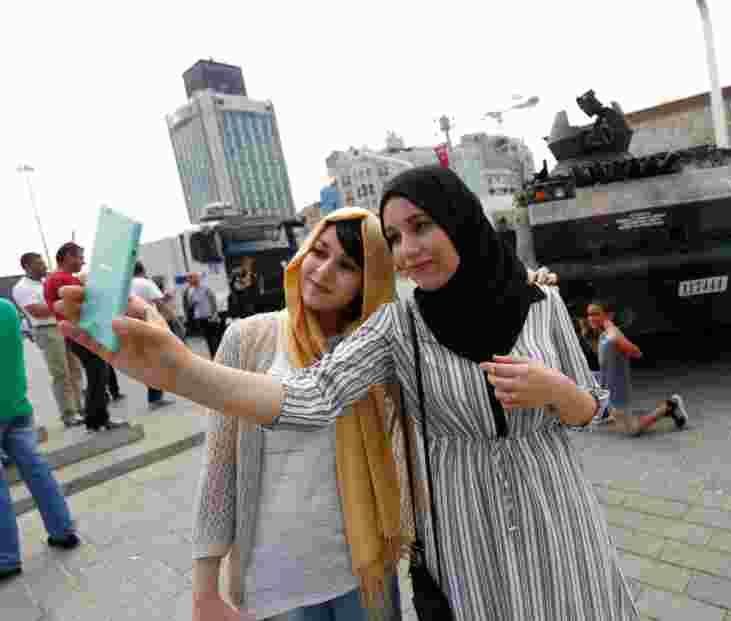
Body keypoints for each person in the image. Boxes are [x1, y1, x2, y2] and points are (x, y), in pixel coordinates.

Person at [57, 165, 639, 620]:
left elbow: (591, 410)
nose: (410, 248)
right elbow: (309, 396)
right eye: (395, 236)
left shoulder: (544, 303)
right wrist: (180, 370)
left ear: (459, 219)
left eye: (421, 226)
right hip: (465, 538)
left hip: (557, 516)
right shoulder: (398, 327)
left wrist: (559, 390)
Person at [192, 208, 407, 621]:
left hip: (363, 573)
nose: (323, 272)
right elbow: (220, 466)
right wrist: (205, 589)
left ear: (371, 280)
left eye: (346, 265)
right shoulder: (250, 339)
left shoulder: (380, 350)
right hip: (278, 581)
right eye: (319, 252)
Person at [0, 297, 81, 582]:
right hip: (17, 406)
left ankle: (5, 559)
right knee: (37, 470)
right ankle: (63, 530)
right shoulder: (7, 309)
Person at [43, 243, 126, 432]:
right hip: (81, 333)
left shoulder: (59, 279)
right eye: (80, 257)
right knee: (98, 374)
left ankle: (97, 419)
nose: (83, 261)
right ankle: (97, 420)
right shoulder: (61, 279)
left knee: (97, 374)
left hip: (78, 333)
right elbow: (87, 305)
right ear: (67, 257)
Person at [585, 301, 688, 435]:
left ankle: (670, 406)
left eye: (596, 314)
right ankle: (602, 411)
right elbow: (604, 358)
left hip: (617, 387)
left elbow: (635, 351)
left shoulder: (613, 333)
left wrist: (624, 351)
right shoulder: (604, 334)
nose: (591, 318)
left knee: (632, 430)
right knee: (582, 376)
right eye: (589, 314)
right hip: (607, 382)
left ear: (609, 315)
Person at [12, 252, 84, 428]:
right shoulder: (22, 287)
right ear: (28, 266)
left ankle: (79, 408)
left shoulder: (45, 282)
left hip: (63, 325)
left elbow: (53, 305)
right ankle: (68, 414)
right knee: (61, 373)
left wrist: (58, 304)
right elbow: (37, 311)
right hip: (47, 330)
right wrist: (61, 304)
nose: (45, 265)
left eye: (43, 261)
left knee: (75, 369)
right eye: (39, 263)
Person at [131, 262, 176, 411]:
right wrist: (173, 318)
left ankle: (154, 395)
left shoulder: (126, 286)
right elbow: (160, 303)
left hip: (133, 328)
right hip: (150, 325)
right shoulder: (146, 283)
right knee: (157, 361)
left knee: (148, 362)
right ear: (143, 270)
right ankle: (156, 397)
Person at [184, 273, 222, 357]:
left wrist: (214, 314)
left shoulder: (206, 289)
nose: (188, 280)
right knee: (208, 338)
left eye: (190, 278)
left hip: (209, 316)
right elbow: (189, 305)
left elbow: (213, 301)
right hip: (200, 318)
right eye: (188, 279)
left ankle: (218, 354)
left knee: (214, 338)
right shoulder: (190, 291)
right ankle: (214, 355)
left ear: (196, 278)